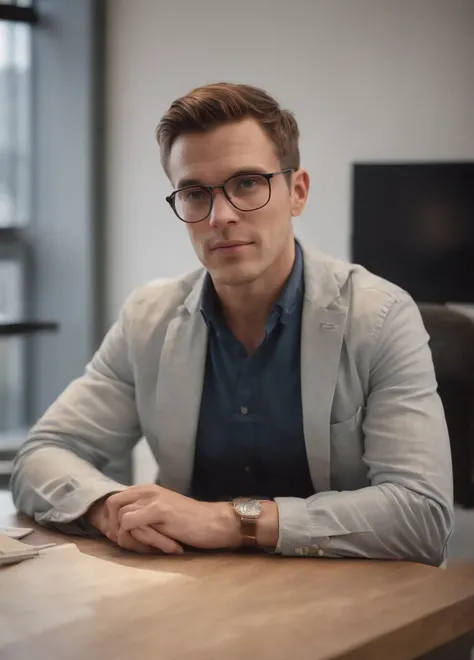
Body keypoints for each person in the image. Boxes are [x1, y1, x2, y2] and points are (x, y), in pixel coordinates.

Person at [11, 83, 453, 564]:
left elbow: (421, 514)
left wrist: (227, 521)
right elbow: (43, 454)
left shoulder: (381, 317)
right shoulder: (149, 318)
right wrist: (107, 509)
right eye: (195, 193)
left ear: (297, 192)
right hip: (191, 596)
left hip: (344, 597)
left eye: (246, 183)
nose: (220, 216)